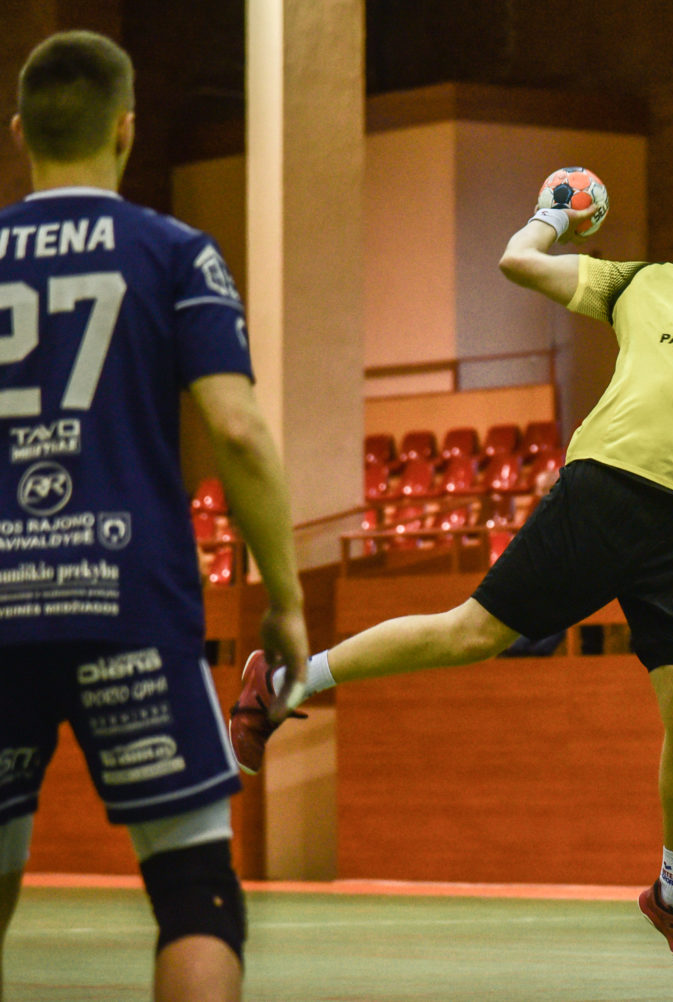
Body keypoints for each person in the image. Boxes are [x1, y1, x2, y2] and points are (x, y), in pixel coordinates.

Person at [229, 160, 673, 987]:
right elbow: (517, 261)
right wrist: (555, 212)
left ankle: (672, 893)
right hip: (601, 489)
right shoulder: (643, 282)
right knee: (469, 633)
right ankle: (285, 683)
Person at [0, 31, 307, 1002]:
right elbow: (238, 430)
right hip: (127, 601)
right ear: (127, 130)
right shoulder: (175, 253)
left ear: (20, 134)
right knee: (193, 890)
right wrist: (286, 601)